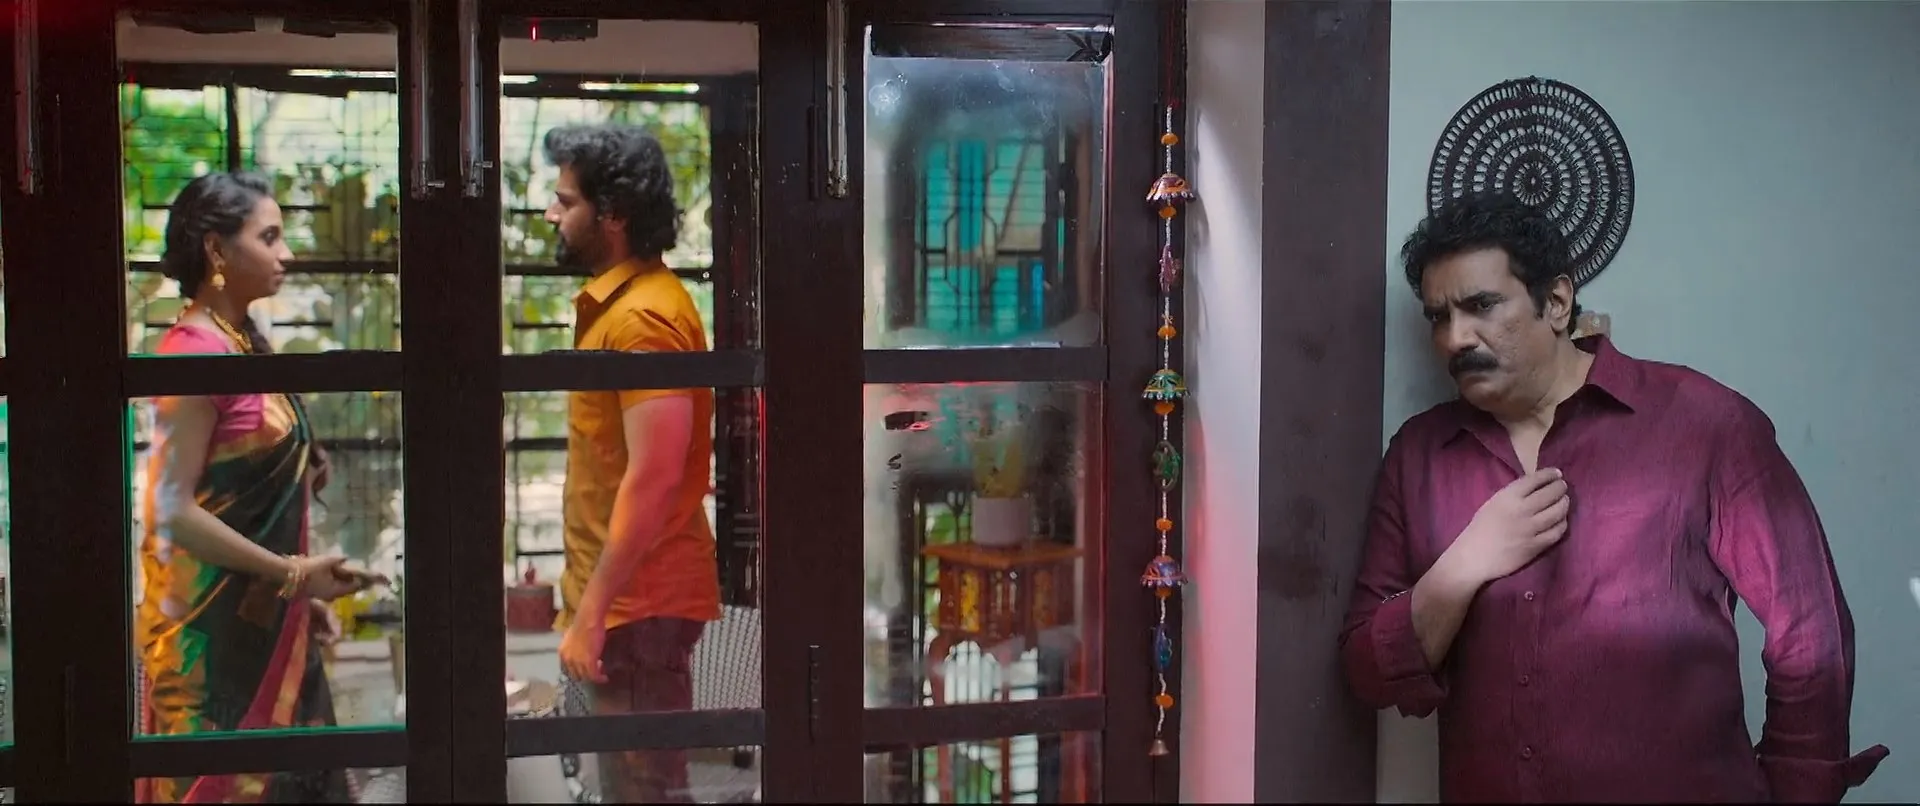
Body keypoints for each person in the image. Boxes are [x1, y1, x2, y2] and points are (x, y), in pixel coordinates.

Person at [1339, 193, 1888, 802]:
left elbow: (1809, 629)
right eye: (1438, 317)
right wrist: (1464, 565)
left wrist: (1796, 791)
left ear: (1556, 302)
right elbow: (1366, 668)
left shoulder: (1703, 424)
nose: (1455, 338)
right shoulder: (1419, 455)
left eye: (1481, 305)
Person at [135, 172, 381, 804]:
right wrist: (291, 575)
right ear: (217, 250)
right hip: (213, 652)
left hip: (267, 624)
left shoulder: (243, 346)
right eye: (268, 237)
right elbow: (169, 511)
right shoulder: (192, 355)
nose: (286, 253)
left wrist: (294, 597)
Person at [544, 123, 719, 804]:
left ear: (612, 214)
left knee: (643, 791)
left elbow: (655, 476)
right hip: (627, 606)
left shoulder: (643, 318)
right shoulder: (618, 307)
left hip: (637, 609)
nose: (552, 214)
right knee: (635, 786)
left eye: (566, 201)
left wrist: (592, 612)